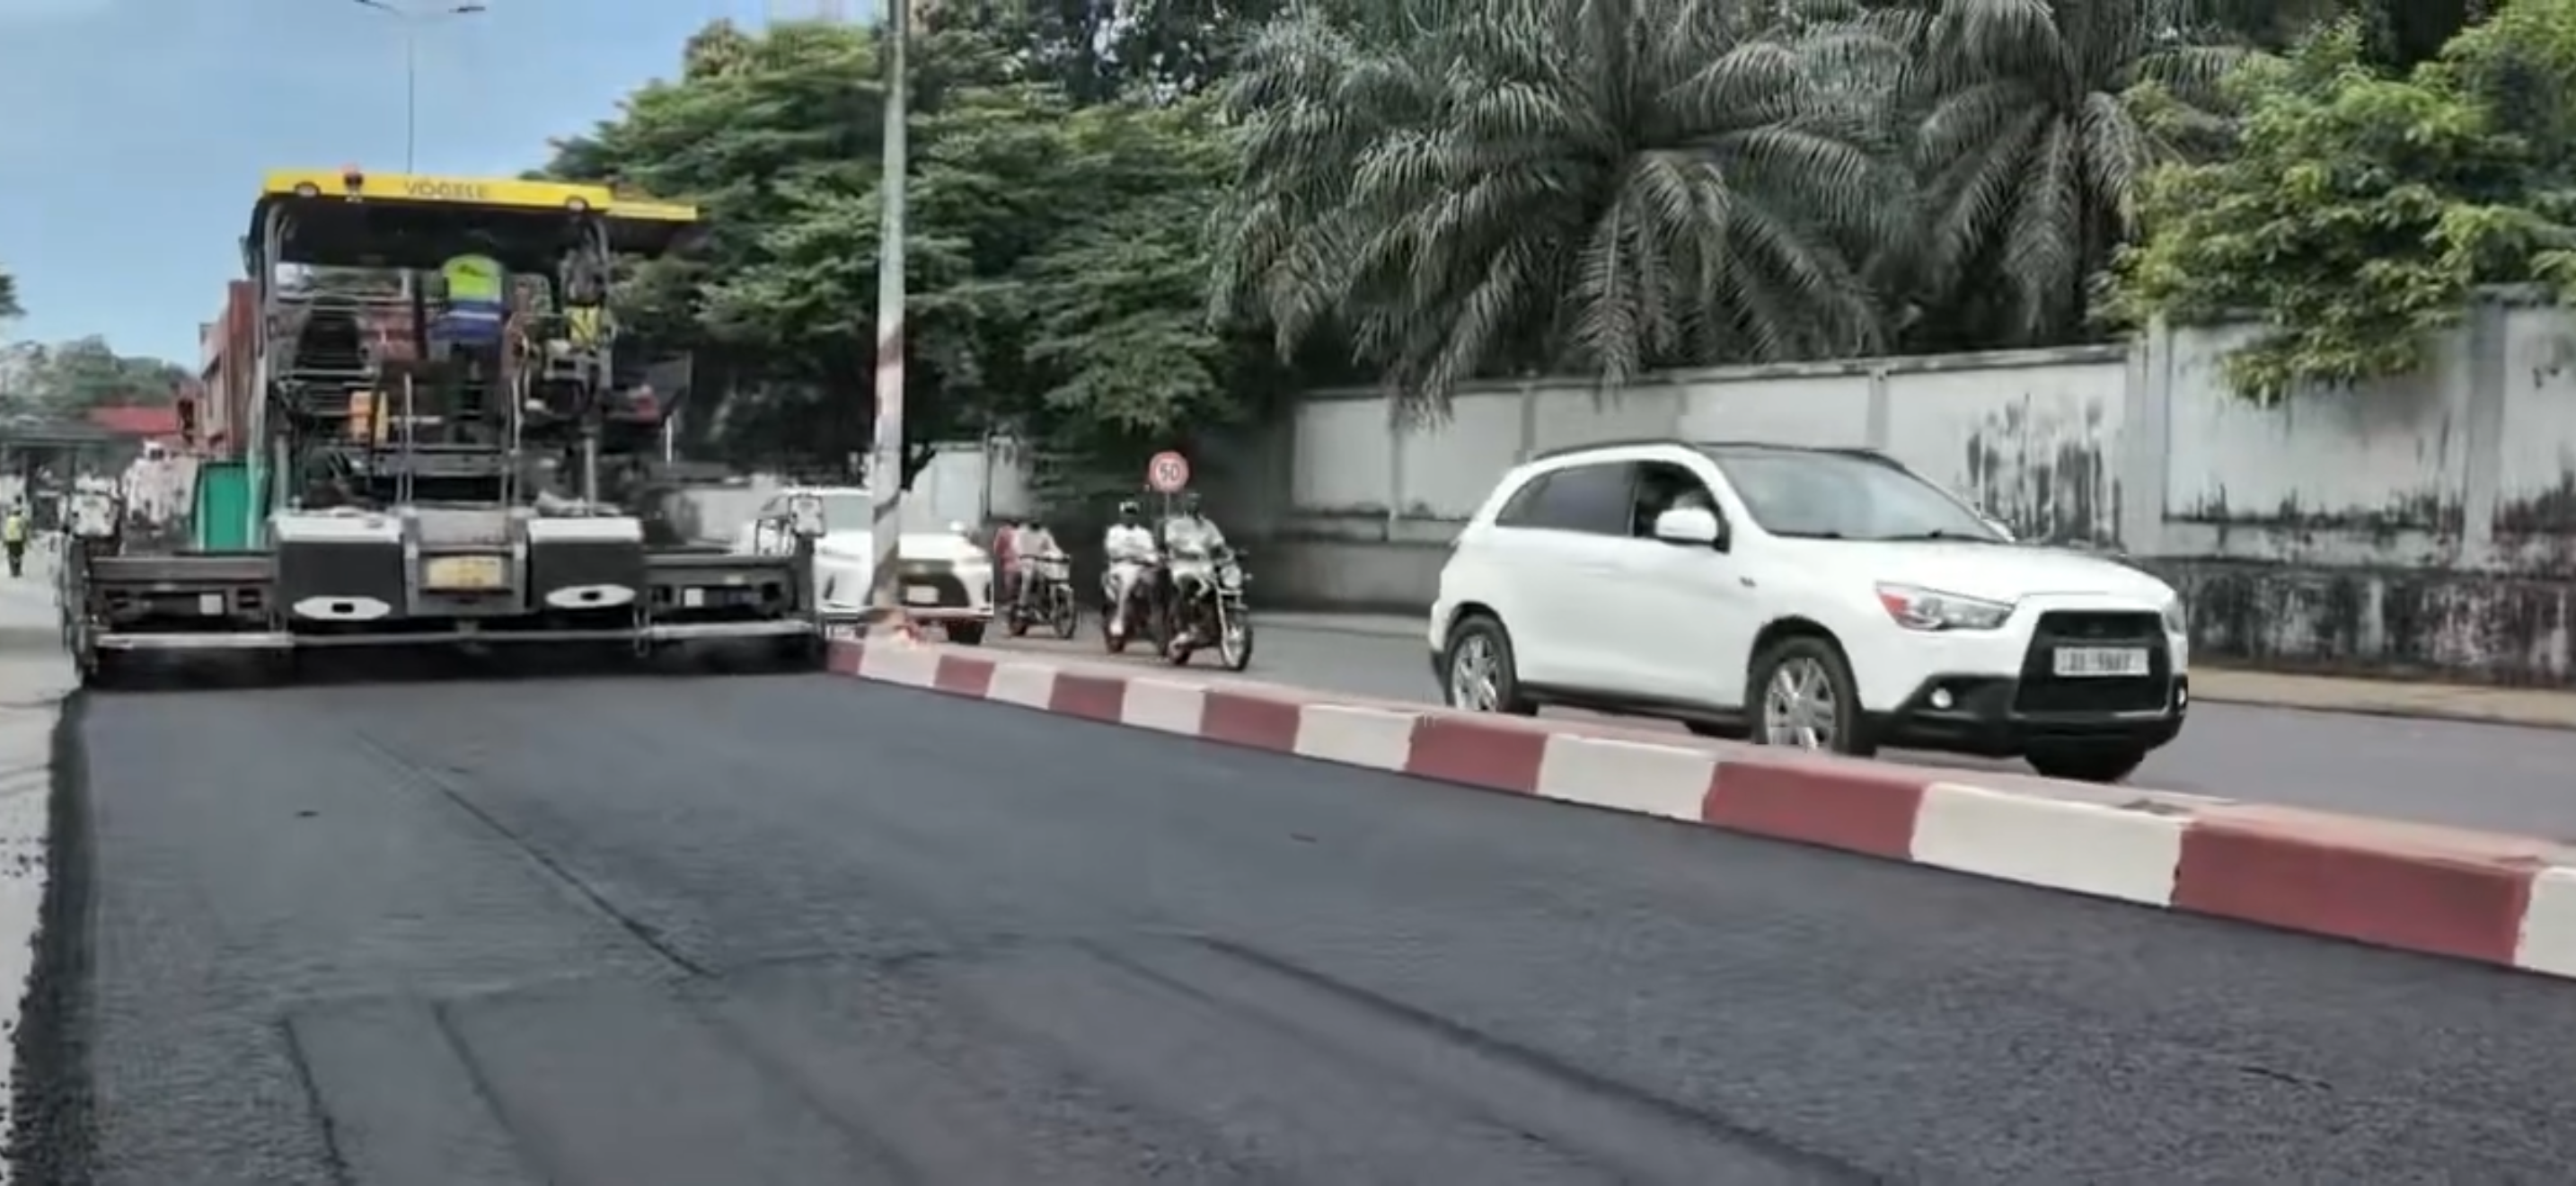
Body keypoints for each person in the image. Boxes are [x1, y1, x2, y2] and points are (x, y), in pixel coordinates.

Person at [1101, 500, 1160, 640]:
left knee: (1157, 581)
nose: (1130, 516)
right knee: (1128, 582)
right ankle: (1119, 619)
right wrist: (1130, 554)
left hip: (1142, 566)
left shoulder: (1144, 533)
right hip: (1121, 566)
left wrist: (1152, 558)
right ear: (1122, 515)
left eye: (1133, 513)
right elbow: (1112, 550)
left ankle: (1155, 619)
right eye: (1127, 513)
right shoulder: (1114, 531)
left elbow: (1151, 551)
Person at [434, 252, 507, 350]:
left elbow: (439, 293)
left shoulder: (451, 262)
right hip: (488, 326)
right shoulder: (494, 264)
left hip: (456, 326)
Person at [1160, 491, 1228, 555]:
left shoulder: (1208, 525)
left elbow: (1219, 544)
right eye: (1191, 501)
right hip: (1181, 560)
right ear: (1184, 503)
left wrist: (1226, 552)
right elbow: (1171, 546)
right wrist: (1191, 556)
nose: (1195, 504)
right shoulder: (1174, 524)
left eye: (1197, 501)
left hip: (1204, 560)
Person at [2, 504, 25, 578]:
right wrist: (25, 539)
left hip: (10, 540)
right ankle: (18, 570)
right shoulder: (20, 520)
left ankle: (12, 571)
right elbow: (23, 530)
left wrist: (4, 540)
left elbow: (4, 530)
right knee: (18, 556)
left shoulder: (8, 520)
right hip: (18, 539)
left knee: (11, 555)